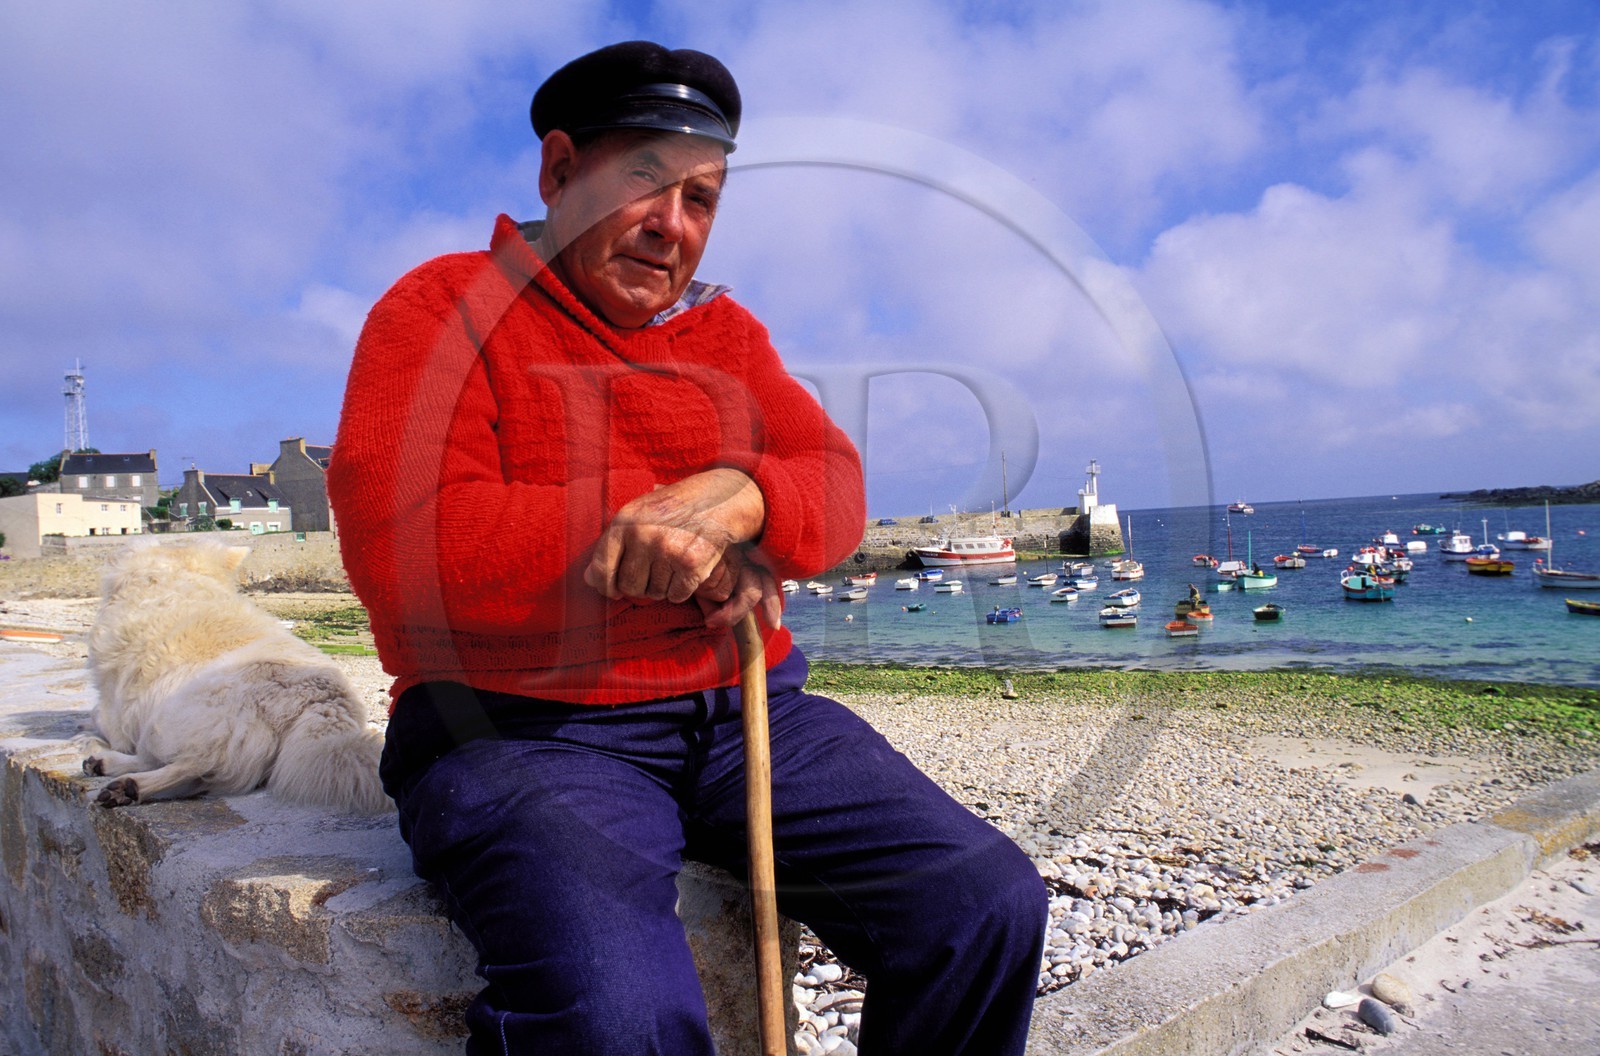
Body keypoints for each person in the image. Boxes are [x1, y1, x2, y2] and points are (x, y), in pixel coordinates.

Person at [327, 40, 1046, 1055]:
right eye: (644, 182)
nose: (673, 227)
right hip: (523, 732)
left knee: (985, 906)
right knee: (618, 1020)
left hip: (744, 710)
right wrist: (668, 525)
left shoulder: (727, 335)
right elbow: (410, 558)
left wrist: (746, 493)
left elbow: (834, 484)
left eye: (701, 199)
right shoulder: (439, 309)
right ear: (560, 171)